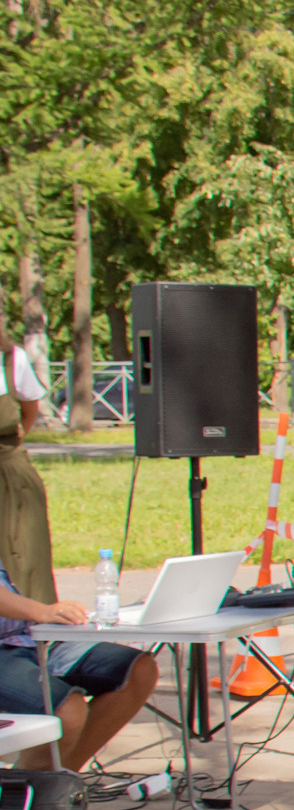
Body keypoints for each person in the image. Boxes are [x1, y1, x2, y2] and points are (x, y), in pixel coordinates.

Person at [0, 561, 154, 771]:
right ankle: (27, 789)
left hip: (28, 638)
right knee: (66, 711)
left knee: (138, 671)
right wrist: (43, 612)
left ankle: (60, 782)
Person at [0, 328, 57, 608]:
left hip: (8, 472)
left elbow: (28, 411)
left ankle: (31, 638)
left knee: (23, 555)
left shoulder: (11, 359)